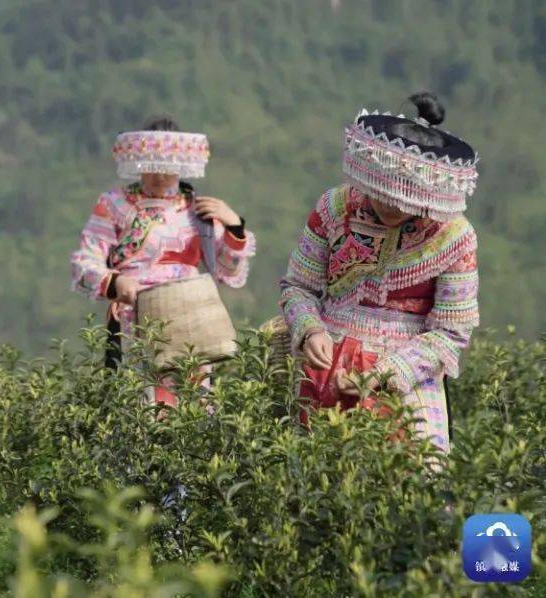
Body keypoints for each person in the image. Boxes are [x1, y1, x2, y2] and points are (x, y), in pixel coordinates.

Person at [280, 92, 480, 453]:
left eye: (402, 196)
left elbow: (450, 332)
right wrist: (309, 330)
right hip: (321, 365)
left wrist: (386, 373)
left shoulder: (453, 236)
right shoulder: (335, 206)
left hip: (408, 376)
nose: (389, 204)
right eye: (381, 191)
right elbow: (298, 286)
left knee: (417, 488)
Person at [70, 117, 255, 405]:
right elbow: (84, 262)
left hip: (189, 316)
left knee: (194, 402)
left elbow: (228, 270)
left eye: (168, 166)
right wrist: (116, 282)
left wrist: (234, 227)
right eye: (153, 165)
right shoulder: (114, 204)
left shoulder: (198, 208)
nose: (160, 175)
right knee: (141, 403)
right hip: (135, 316)